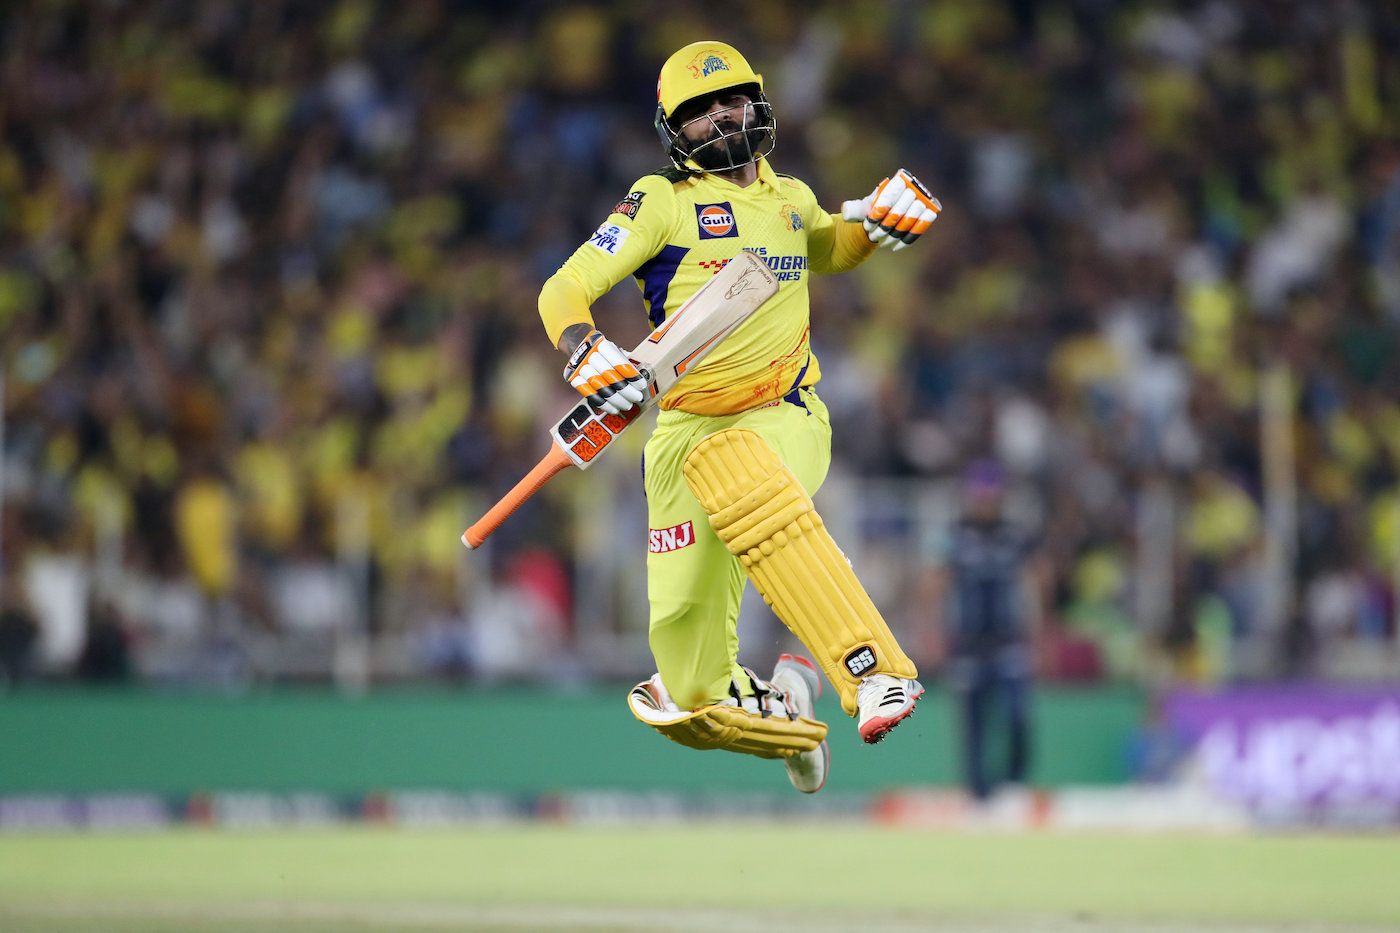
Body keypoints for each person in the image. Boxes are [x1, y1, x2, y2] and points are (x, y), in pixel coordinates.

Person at [536, 41, 942, 793]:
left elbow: (827, 245)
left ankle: (875, 672)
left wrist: (879, 226)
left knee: (744, 471)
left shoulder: (790, 197)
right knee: (688, 685)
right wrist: (584, 349)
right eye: (698, 111)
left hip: (781, 410)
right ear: (672, 130)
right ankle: (786, 707)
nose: (719, 116)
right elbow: (562, 290)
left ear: (758, 104)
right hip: (682, 431)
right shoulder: (661, 201)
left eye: (731, 100)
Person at [925, 461, 1047, 801]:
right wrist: (932, 633)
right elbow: (934, 584)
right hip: (968, 643)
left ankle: (1014, 784)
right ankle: (978, 797)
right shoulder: (954, 536)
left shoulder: (1015, 535)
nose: (984, 504)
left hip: (1009, 640)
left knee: (1017, 715)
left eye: (990, 497)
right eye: (979, 497)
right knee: (973, 724)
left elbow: (1036, 582)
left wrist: (1040, 635)